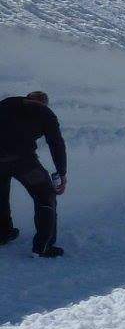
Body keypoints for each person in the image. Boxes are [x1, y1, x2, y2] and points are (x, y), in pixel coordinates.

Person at [0, 91, 67, 257]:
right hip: (24, 162)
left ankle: (4, 233)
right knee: (45, 195)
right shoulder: (45, 112)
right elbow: (56, 142)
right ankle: (43, 246)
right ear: (44, 103)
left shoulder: (7, 103)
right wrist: (61, 172)